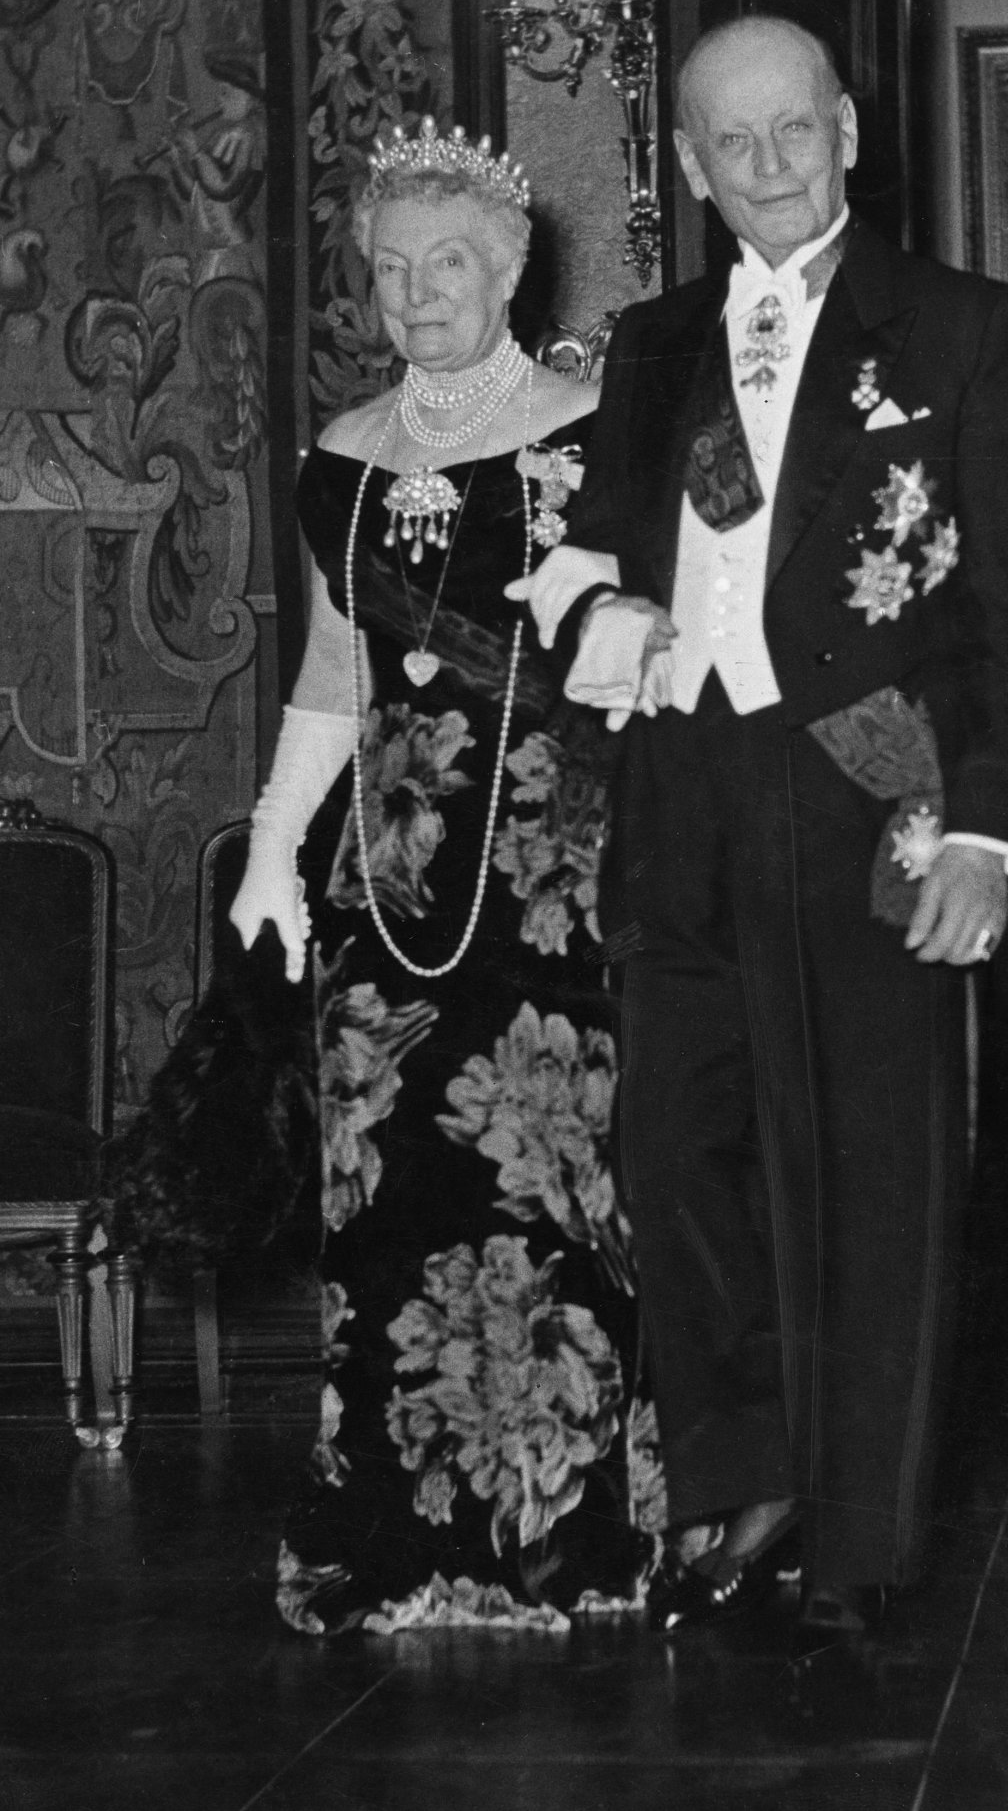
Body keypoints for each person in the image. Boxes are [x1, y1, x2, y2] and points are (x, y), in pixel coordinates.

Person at [511, 16, 1008, 1633]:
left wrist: (986, 832)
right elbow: (608, 545)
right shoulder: (655, 343)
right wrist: (599, 607)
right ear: (686, 165)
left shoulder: (962, 328)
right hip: (683, 794)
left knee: (877, 1170)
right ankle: (741, 1474)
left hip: (873, 784)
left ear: (846, 129)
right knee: (675, 1150)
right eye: (730, 144)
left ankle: (862, 1538)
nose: (766, 167)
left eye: (792, 134)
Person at [230, 118, 661, 1634]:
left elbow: (660, 647)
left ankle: (566, 1535)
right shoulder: (338, 463)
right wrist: (279, 846)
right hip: (389, 888)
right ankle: (402, 1541)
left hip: (552, 872)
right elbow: (332, 675)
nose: (420, 293)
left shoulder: (601, 427)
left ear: (512, 269)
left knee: (552, 1197)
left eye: (452, 263)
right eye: (394, 267)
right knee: (394, 1201)